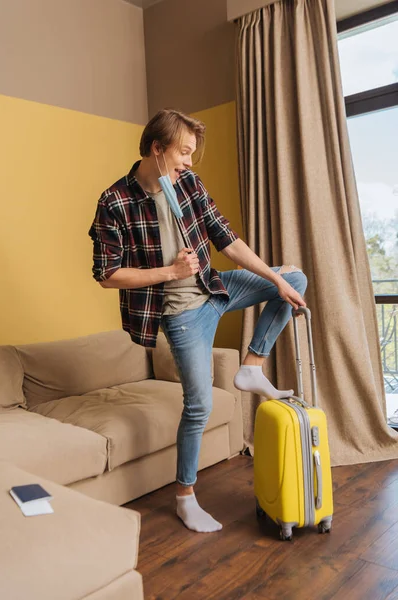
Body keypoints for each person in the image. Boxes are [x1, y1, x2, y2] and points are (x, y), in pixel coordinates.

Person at [88, 108, 307, 534]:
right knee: (200, 404)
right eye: (184, 152)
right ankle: (185, 497)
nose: (190, 161)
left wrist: (273, 279)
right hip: (181, 315)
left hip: (215, 287)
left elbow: (227, 238)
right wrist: (170, 272)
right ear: (157, 148)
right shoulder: (114, 202)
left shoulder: (188, 184)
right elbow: (107, 275)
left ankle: (252, 366)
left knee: (292, 277)